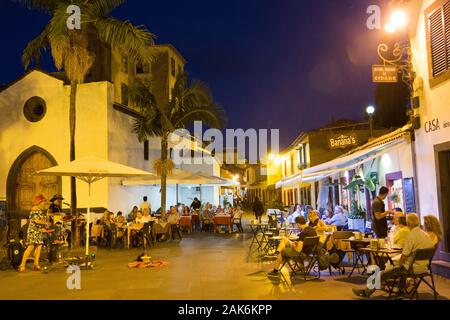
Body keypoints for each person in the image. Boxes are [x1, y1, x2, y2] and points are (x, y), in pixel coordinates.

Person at [353, 214, 434, 298]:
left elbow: (404, 256)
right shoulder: (425, 235)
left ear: (408, 223)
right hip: (424, 267)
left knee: (382, 273)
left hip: (412, 268)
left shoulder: (411, 236)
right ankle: (400, 292)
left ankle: (366, 292)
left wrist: (395, 266)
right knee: (400, 268)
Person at [18, 195, 51, 272]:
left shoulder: (39, 210)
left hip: (38, 230)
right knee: (30, 247)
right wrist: (45, 222)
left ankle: (36, 264)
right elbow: (36, 221)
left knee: (39, 247)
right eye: (43, 202)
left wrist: (43, 227)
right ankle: (22, 265)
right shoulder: (35, 209)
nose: (44, 203)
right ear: (39, 202)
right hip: (33, 231)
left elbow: (39, 221)